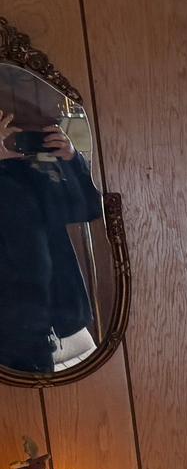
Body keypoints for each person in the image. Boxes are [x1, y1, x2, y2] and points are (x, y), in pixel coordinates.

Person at [0, 107, 103, 375]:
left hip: (57, 319)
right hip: (13, 332)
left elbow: (88, 209)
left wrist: (70, 158)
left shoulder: (37, 169)